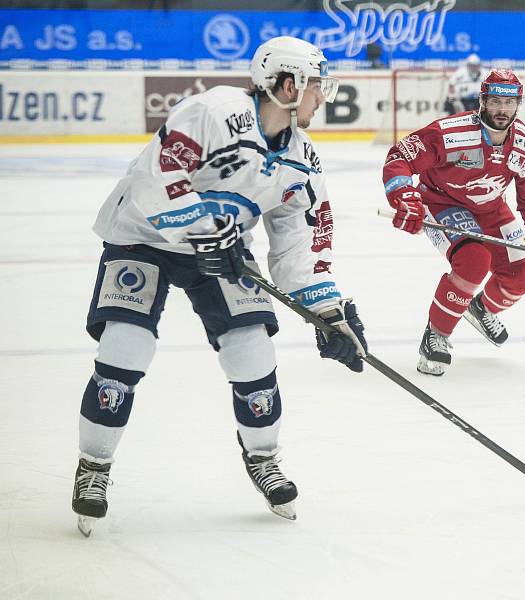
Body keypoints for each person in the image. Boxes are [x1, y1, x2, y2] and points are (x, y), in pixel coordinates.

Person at [71, 36, 368, 535]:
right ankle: (94, 465)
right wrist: (205, 226)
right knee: (127, 346)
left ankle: (263, 457)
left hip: (220, 249)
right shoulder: (213, 111)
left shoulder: (303, 160)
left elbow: (296, 246)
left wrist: (329, 311)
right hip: (142, 237)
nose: (324, 97)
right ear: (289, 85)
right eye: (318, 86)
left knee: (252, 349)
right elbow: (156, 177)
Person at [382, 68, 525, 376]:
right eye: (495, 101)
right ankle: (437, 334)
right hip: (441, 202)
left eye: (509, 103)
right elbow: (400, 156)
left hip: (491, 208)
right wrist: (404, 196)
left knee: (523, 277)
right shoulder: (451, 133)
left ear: (518, 105)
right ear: (482, 101)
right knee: (473, 261)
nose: (502, 109)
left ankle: (481, 308)